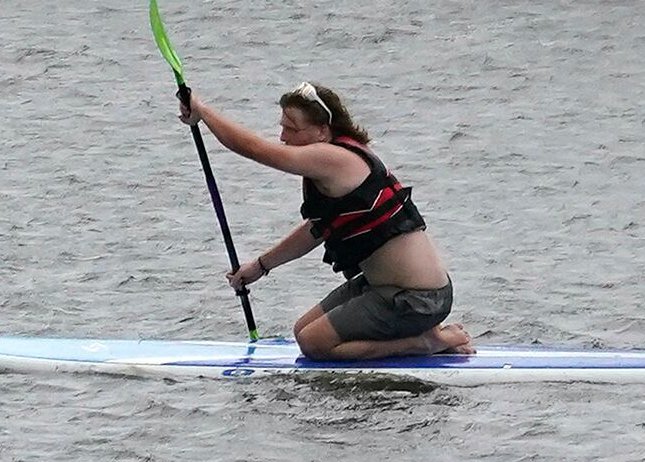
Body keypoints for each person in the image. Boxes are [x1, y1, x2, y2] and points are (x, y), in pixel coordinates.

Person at [182, 81, 473, 361]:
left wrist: (203, 111)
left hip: (418, 299)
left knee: (313, 343)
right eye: (282, 127)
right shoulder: (332, 171)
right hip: (384, 288)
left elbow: (257, 150)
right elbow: (317, 229)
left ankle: (427, 342)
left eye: (292, 129)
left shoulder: (334, 159)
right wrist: (260, 266)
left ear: (323, 131)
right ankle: (424, 335)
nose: (283, 137)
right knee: (302, 330)